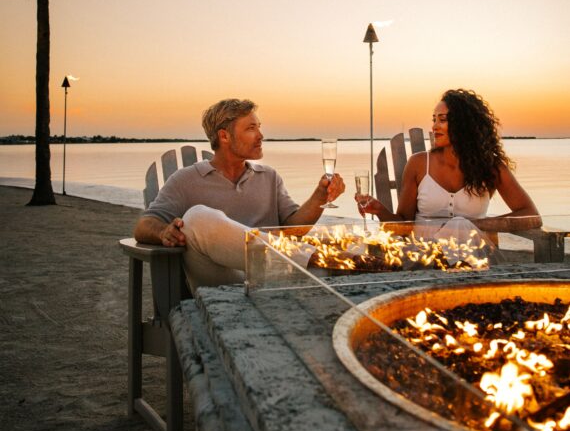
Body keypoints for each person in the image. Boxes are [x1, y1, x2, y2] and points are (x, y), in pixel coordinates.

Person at [134, 98, 345, 290]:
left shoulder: (268, 177)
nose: (261, 136)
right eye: (251, 128)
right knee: (197, 218)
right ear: (224, 136)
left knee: (334, 249)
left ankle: (330, 264)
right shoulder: (185, 180)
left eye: (259, 127)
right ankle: (328, 260)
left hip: (271, 277)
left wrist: (320, 196)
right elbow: (144, 225)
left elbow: (294, 229)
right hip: (221, 282)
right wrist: (163, 232)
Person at [359, 89, 542, 235]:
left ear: (464, 124)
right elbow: (404, 225)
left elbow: (532, 216)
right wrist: (380, 211)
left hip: (473, 255)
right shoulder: (419, 164)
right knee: (460, 226)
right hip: (426, 257)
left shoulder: (490, 167)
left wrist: (479, 226)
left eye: (443, 120)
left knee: (461, 225)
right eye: (434, 119)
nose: (434, 126)